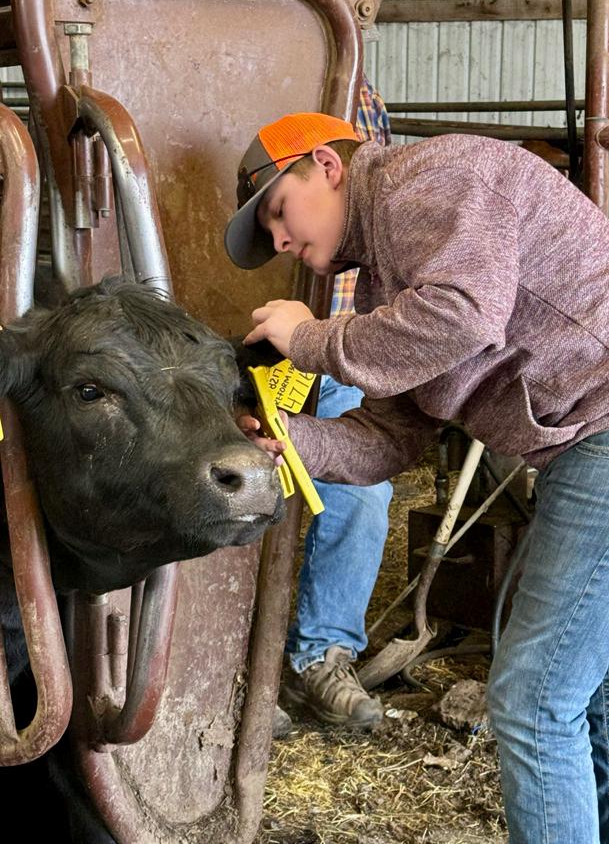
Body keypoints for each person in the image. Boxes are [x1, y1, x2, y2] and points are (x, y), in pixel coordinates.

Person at [225, 111, 609, 843]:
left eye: (279, 210)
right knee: (608, 691)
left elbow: (464, 316)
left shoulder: (429, 178)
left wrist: (308, 339)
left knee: (533, 700)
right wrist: (287, 442)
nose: (280, 240)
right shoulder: (383, 285)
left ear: (328, 166)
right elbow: (389, 438)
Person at [257, 80, 393, 733]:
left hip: (343, 339)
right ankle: (233, 665)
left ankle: (320, 656)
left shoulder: (347, 79)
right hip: (253, 337)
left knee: (363, 490)